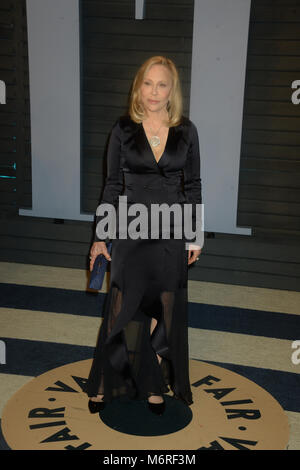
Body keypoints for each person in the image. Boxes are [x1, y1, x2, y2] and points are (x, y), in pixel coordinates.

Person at [86, 56, 203, 416]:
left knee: (162, 310)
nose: (154, 91)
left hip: (171, 232)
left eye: (162, 84)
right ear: (139, 87)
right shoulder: (122, 129)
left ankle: (153, 385)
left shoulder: (187, 130)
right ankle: (105, 383)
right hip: (130, 231)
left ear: (172, 90)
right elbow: (112, 185)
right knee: (122, 309)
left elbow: (194, 185)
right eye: (148, 83)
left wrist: (195, 236)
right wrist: (101, 237)